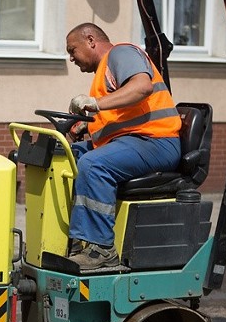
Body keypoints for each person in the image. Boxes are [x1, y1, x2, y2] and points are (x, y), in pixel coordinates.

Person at [64, 23, 181, 271]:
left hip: (157, 142)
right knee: (64, 157)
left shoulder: (121, 53)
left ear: (91, 40)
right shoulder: (104, 72)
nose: (71, 58)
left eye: (73, 50)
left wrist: (95, 103)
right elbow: (121, 115)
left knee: (93, 164)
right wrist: (86, 126)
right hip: (133, 141)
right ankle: (73, 239)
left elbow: (141, 87)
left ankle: (102, 250)